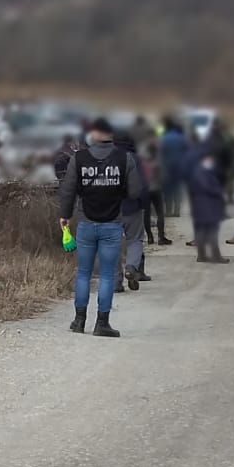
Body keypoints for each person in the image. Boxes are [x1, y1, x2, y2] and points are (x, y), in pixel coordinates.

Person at [59, 117, 142, 337]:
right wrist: (117, 191)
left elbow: (67, 190)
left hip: (85, 222)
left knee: (83, 273)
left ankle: (79, 320)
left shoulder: (79, 158)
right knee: (106, 275)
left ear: (93, 134)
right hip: (112, 224)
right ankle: (102, 323)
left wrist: (65, 215)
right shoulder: (125, 158)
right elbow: (135, 191)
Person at [114, 130, 150, 290]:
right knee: (135, 240)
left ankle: (116, 281)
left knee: (112, 243)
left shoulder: (106, 158)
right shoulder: (136, 159)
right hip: (132, 207)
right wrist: (144, 204)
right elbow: (143, 185)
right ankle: (131, 267)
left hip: (110, 209)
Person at [189, 148, 229, 264]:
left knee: (202, 231)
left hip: (202, 206)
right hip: (207, 206)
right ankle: (216, 256)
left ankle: (201, 255)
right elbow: (207, 187)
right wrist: (219, 191)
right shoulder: (201, 172)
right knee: (212, 232)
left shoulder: (200, 170)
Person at [159, 117, 191, 217]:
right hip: (180, 166)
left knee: (168, 188)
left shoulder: (164, 138)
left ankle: (168, 211)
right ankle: (177, 211)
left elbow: (161, 153)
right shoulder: (182, 138)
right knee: (178, 188)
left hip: (167, 166)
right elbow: (187, 152)